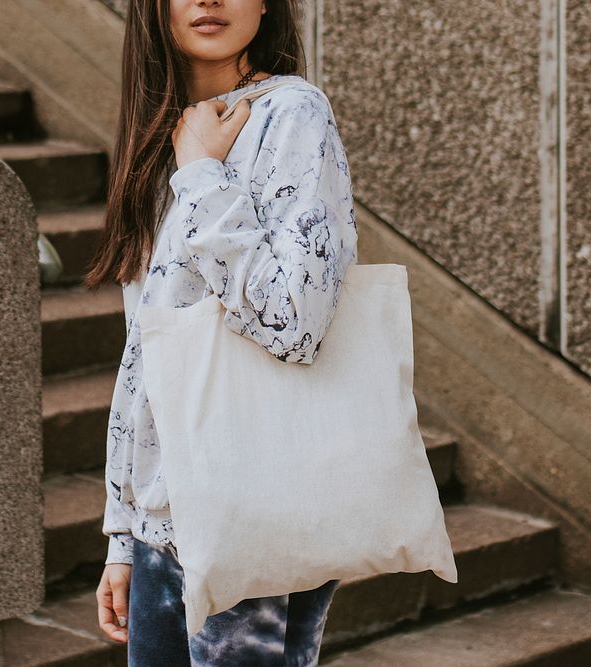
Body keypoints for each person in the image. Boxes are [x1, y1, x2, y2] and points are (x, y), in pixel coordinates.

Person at [82, 0, 359, 663]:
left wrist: (204, 173)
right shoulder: (161, 138)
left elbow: (295, 317)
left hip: (255, 513)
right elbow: (145, 351)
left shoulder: (293, 114)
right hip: (162, 523)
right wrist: (124, 534)